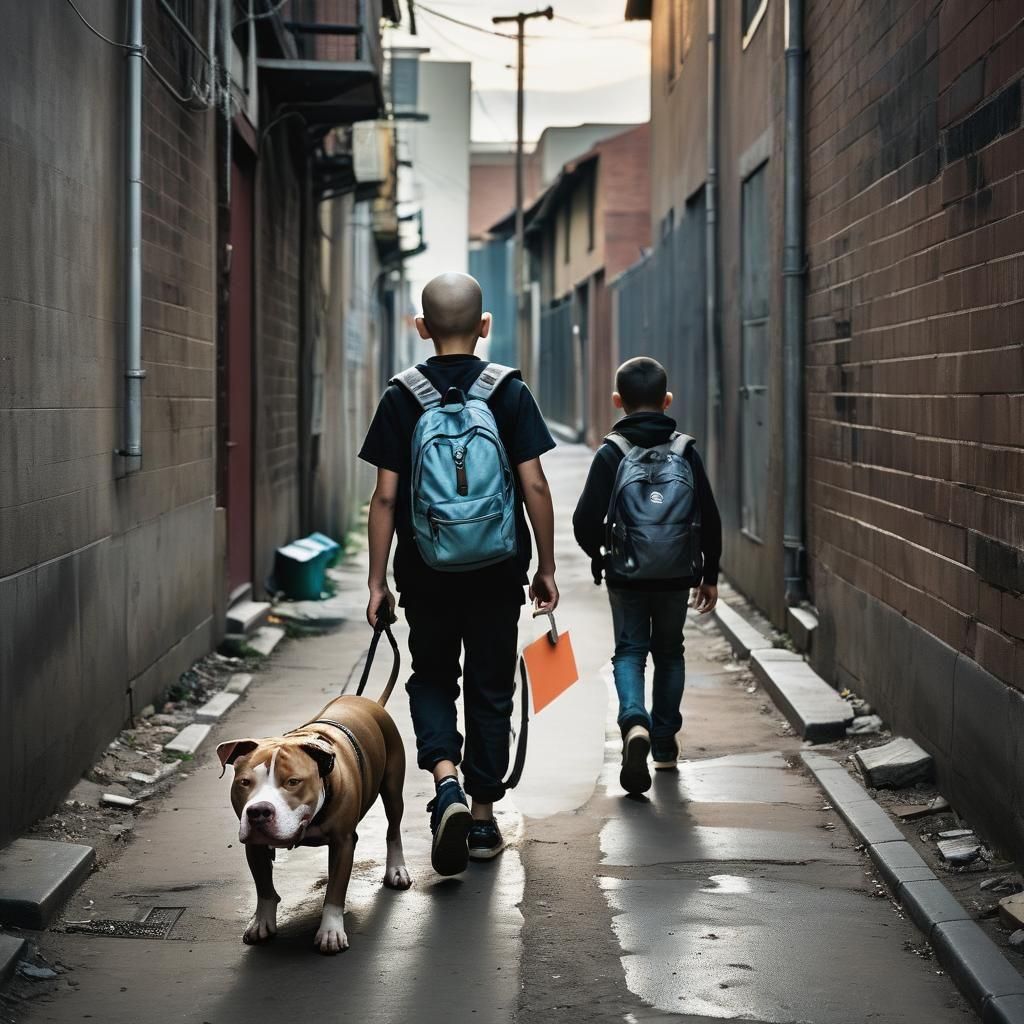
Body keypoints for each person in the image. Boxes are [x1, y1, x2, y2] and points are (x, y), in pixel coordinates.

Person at [359, 272, 559, 874]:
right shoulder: (509, 393)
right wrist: (546, 567)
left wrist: (377, 582)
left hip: (426, 570)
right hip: (499, 570)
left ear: (421, 328)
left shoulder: (401, 396)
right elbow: (535, 485)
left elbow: (386, 500)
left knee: (432, 677)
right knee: (492, 686)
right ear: (485, 326)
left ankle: (443, 780)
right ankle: (479, 817)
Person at [572, 356, 722, 795]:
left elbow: (584, 520)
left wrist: (601, 556)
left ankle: (633, 721)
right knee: (670, 653)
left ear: (618, 401)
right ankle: (664, 741)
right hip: (677, 575)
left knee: (630, 651)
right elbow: (709, 518)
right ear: (667, 400)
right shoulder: (685, 451)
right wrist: (707, 575)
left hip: (627, 573)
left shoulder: (611, 452)